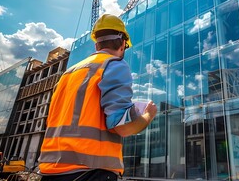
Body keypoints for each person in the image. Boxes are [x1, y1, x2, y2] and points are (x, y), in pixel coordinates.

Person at [38, 14, 157, 181]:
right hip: (90, 172)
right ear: (123, 44)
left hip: (50, 171)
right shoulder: (114, 64)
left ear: (96, 44)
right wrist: (148, 115)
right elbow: (122, 127)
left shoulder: (66, 75)